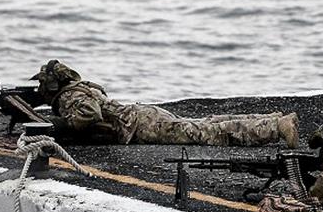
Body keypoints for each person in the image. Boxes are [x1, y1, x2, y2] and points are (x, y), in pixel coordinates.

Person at [30, 60, 302, 147]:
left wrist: (61, 124)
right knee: (205, 124)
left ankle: (276, 127)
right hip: (142, 116)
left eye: (43, 84)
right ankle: (271, 119)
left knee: (208, 134)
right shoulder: (80, 88)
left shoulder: (70, 97)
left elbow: (89, 115)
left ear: (53, 85)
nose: (41, 89)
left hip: (140, 126)